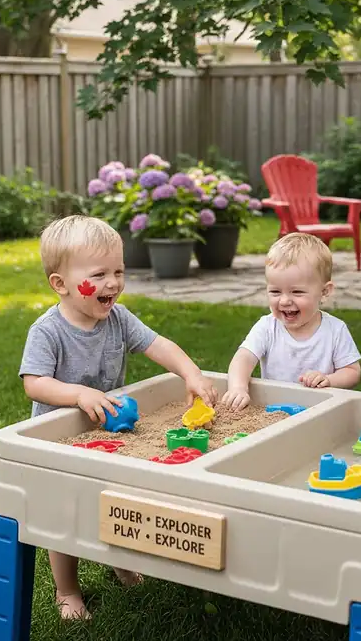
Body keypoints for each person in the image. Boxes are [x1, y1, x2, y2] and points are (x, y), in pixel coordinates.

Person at [18, 215, 216, 620]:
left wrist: (191, 374)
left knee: (119, 501)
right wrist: (76, 394)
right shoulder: (48, 331)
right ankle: (67, 590)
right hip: (61, 439)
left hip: (110, 433)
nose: (112, 283)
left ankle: (121, 560)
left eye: (119, 271)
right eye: (99, 274)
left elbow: (159, 345)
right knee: (65, 514)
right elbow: (34, 383)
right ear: (61, 284)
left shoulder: (119, 319)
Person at [222, 233, 361, 410]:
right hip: (274, 410)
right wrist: (238, 388)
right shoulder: (267, 327)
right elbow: (243, 359)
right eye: (275, 292)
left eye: (297, 292)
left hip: (320, 411)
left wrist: (329, 379)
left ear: (324, 292)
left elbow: (352, 372)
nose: (285, 301)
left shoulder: (335, 330)